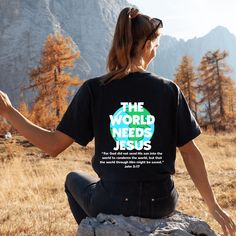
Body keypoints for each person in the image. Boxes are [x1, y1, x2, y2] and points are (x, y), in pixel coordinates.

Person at [0, 7, 235, 236]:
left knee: (73, 179)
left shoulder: (94, 89)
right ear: (145, 45)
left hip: (111, 201)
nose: (156, 50)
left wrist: (9, 112)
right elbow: (190, 152)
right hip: (162, 202)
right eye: (156, 44)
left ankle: (98, 230)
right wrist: (212, 205)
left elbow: (53, 145)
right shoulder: (168, 90)